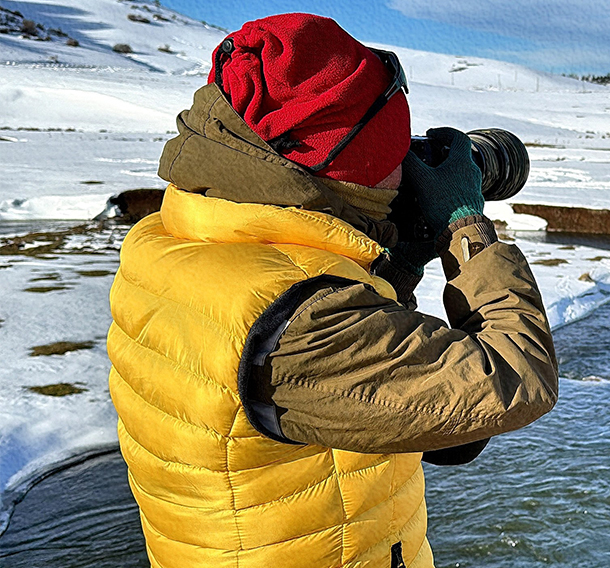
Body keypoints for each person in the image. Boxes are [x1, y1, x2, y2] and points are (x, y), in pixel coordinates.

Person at [106, 13, 558, 568]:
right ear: (347, 167)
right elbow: (513, 381)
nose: (406, 168)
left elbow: (441, 428)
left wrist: (390, 265)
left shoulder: (178, 238)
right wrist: (464, 225)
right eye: (393, 152)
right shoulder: (298, 319)